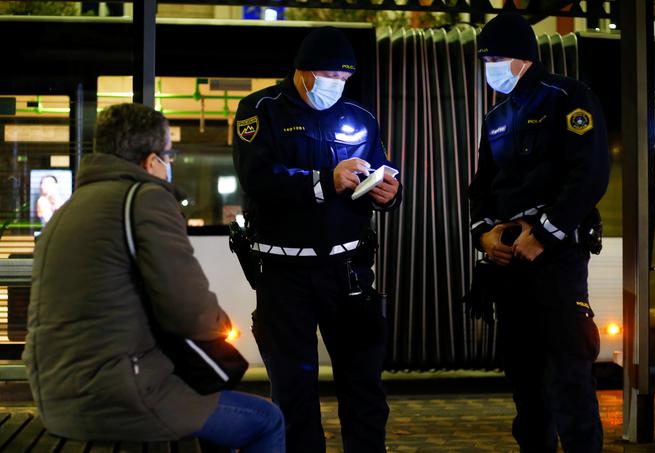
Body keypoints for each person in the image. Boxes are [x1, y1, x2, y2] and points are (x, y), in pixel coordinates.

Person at [22, 103, 285, 452]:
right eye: (168, 155)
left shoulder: (70, 207)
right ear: (151, 161)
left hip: (56, 397)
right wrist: (220, 324)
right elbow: (190, 310)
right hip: (119, 398)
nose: (169, 164)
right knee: (267, 421)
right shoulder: (144, 199)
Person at [232, 26, 402, 453]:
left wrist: (388, 193)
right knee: (293, 392)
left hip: (347, 273)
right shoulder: (261, 110)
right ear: (303, 71)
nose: (336, 85)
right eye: (330, 75)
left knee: (363, 387)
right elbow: (257, 177)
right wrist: (325, 181)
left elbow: (377, 171)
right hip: (283, 274)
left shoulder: (361, 118)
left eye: (344, 78)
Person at [467, 13, 610, 453]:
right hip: (511, 266)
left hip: (557, 263)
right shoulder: (496, 117)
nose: (490, 65)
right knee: (525, 383)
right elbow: (482, 188)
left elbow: (589, 175)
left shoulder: (568, 98)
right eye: (485, 58)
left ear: (524, 59)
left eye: (496, 57)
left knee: (570, 379)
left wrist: (543, 234)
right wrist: (484, 235)